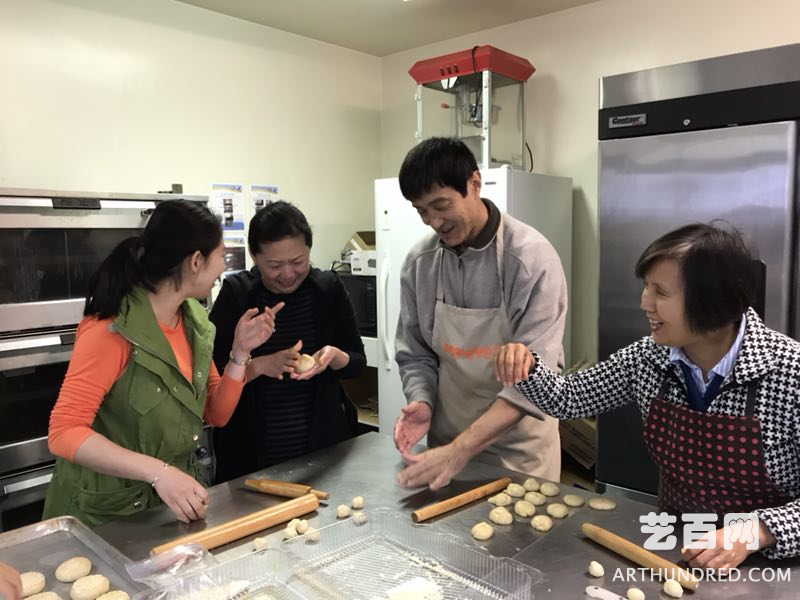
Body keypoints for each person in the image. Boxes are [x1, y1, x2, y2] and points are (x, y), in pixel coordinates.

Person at [497, 223, 800, 570]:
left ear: (713, 301)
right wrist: (527, 367)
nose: (644, 303)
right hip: (676, 548)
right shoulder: (649, 358)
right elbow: (569, 398)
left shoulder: (789, 371)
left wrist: (754, 532)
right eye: (646, 287)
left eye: (661, 292)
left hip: (771, 564)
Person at [43, 200, 278, 526]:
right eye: (221, 256)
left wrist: (241, 351)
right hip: (103, 515)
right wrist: (158, 472)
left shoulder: (194, 321)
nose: (223, 268)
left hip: (164, 509)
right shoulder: (111, 329)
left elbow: (216, 412)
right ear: (196, 261)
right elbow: (64, 432)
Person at [392, 137, 568, 490]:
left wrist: (461, 449)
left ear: (474, 183)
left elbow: (537, 380)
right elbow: (416, 354)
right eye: (422, 211)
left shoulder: (530, 258)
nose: (434, 222)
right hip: (446, 448)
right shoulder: (420, 264)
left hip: (519, 454)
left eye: (441, 205)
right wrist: (421, 400)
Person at [209, 201, 366, 482]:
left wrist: (333, 356)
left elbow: (357, 362)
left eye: (297, 261)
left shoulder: (327, 289)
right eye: (275, 265)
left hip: (323, 450)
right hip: (250, 457)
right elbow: (211, 381)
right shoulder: (237, 294)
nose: (288, 274)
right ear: (254, 256)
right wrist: (259, 365)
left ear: (309, 251)